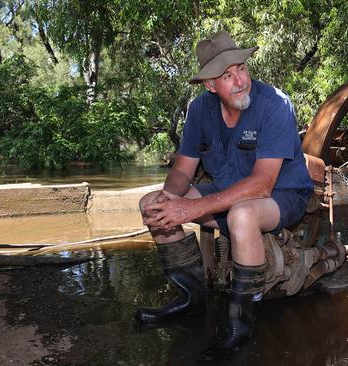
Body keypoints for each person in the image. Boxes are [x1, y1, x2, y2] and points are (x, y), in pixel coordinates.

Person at [134, 30, 314, 361]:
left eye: (241, 69)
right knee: (150, 204)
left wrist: (191, 209)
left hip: (282, 194)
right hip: (227, 190)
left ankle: (239, 325)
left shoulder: (275, 104)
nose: (239, 80)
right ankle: (192, 297)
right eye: (227, 76)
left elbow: (261, 185)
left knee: (241, 214)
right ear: (210, 85)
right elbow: (182, 171)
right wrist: (169, 199)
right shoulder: (199, 110)